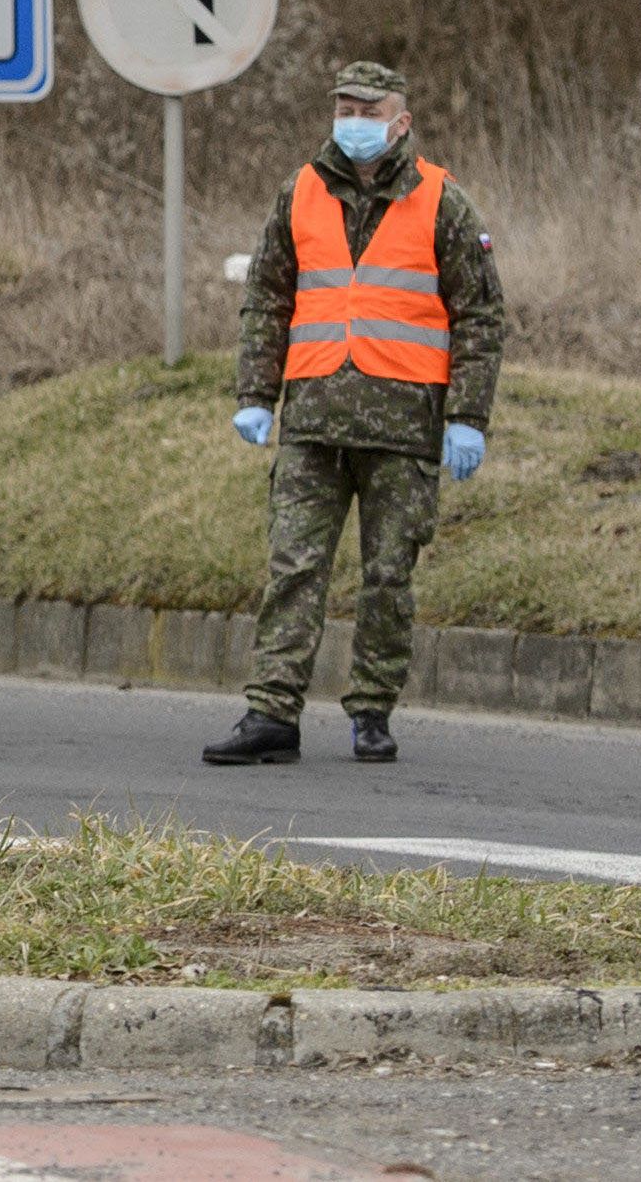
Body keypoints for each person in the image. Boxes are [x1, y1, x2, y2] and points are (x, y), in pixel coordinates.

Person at [202, 61, 506, 767]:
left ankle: (372, 711)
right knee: (293, 568)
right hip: (313, 418)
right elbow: (268, 300)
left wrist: (468, 416)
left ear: (401, 122)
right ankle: (271, 712)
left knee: (388, 575)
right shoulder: (301, 192)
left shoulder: (443, 201)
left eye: (370, 111)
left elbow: (480, 316)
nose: (355, 122)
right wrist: (255, 395)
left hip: (403, 424)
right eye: (345, 108)